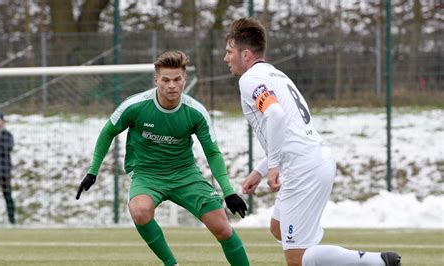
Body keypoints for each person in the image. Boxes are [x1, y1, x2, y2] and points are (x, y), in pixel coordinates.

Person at [223, 17, 401, 266]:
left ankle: (377, 261)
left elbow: (275, 114)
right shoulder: (277, 75)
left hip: (302, 169)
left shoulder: (250, 79)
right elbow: (287, 129)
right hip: (314, 159)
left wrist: (273, 166)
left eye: (230, 52)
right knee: (279, 228)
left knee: (297, 258)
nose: (225, 58)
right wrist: (260, 170)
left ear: (246, 55)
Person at [76, 51, 249, 266]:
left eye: (177, 79)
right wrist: (93, 170)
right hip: (147, 175)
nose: (172, 85)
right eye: (166, 80)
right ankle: (171, 264)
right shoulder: (135, 105)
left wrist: (229, 191)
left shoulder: (195, 112)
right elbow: (107, 132)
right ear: (156, 80)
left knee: (222, 228)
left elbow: (212, 153)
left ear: (184, 79)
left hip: (185, 174)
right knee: (140, 211)